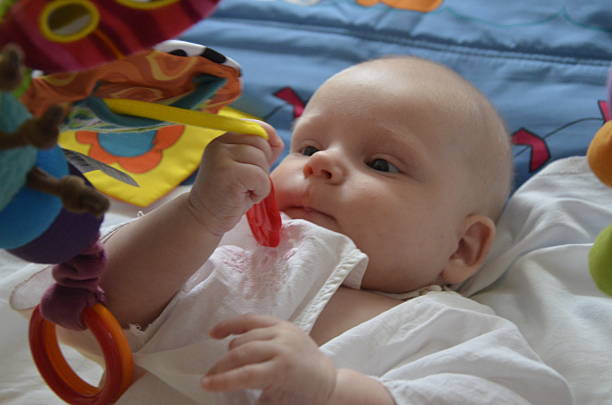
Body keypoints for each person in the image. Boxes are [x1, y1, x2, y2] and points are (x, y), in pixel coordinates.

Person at [14, 56, 572, 404]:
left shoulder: (453, 331)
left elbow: (505, 394)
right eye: (308, 145)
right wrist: (200, 213)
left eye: (381, 164)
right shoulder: (223, 245)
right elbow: (89, 313)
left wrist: (333, 392)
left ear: (463, 247)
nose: (320, 164)